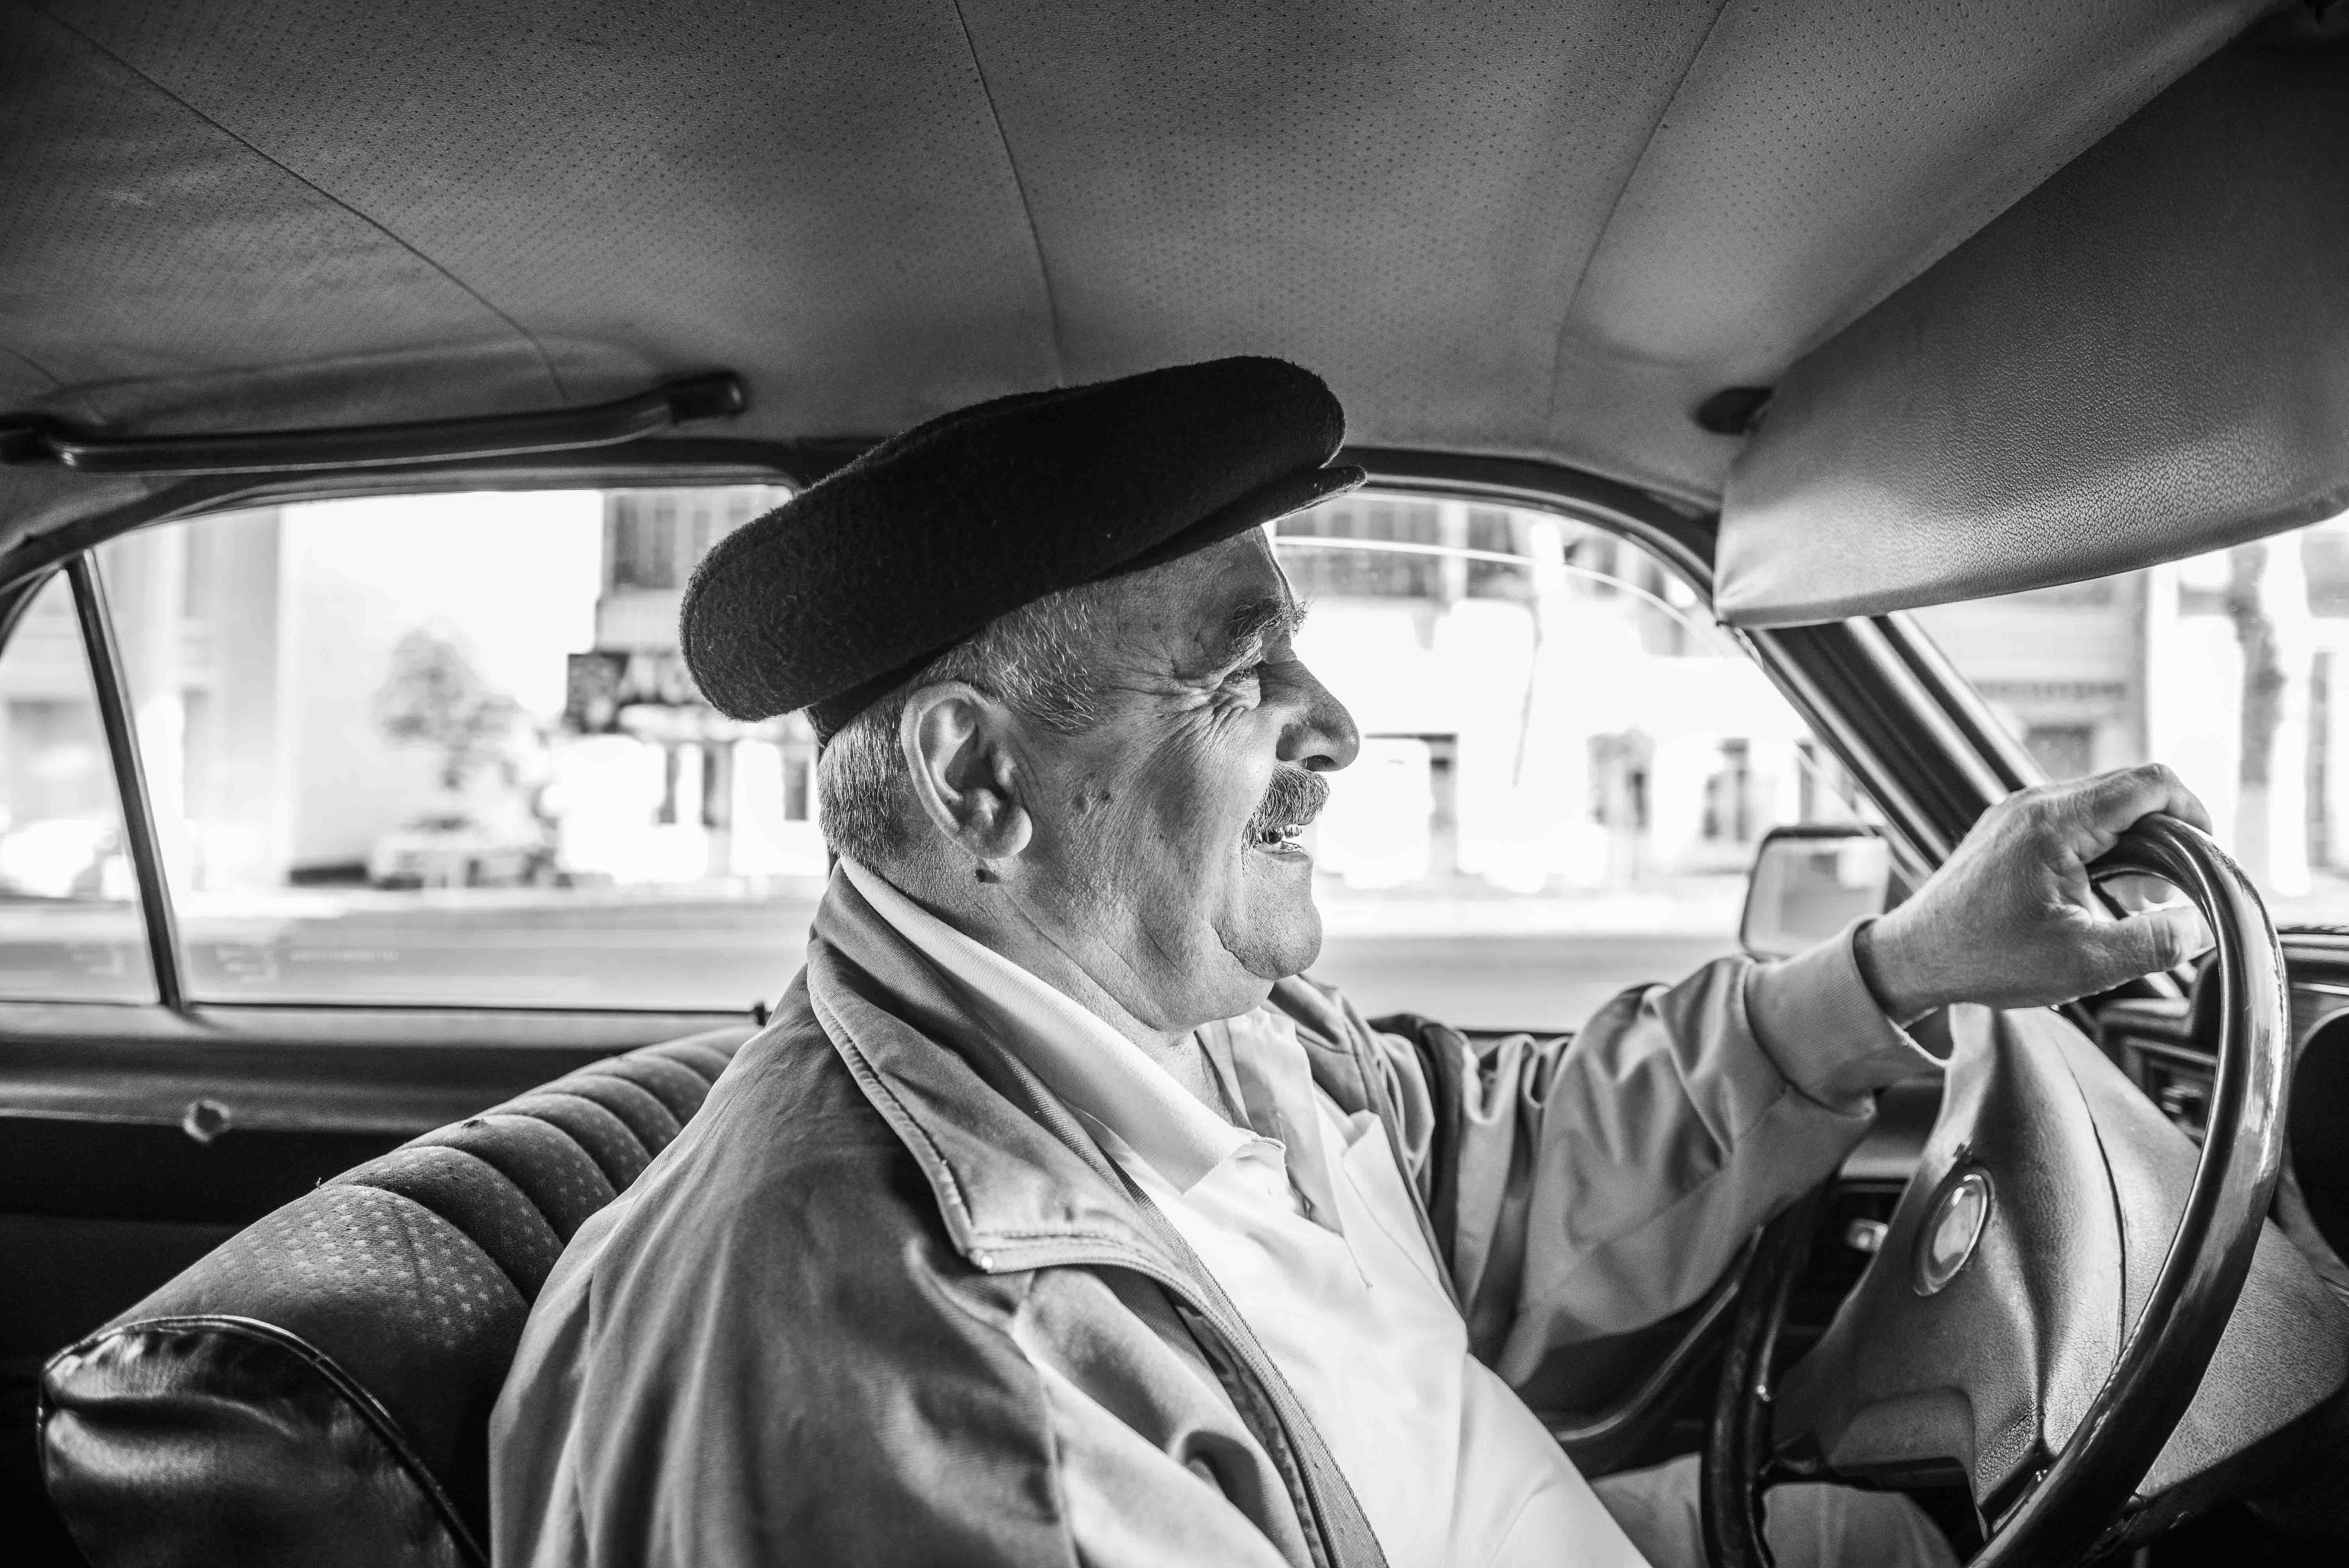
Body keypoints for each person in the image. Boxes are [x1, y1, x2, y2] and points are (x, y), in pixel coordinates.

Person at [490, 358, 2211, 1568]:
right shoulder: (935, 1380)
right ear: (974, 780)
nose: (1342, 727)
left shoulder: (1190, 1039)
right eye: (1245, 674)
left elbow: (1500, 1162)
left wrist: (1906, 964)